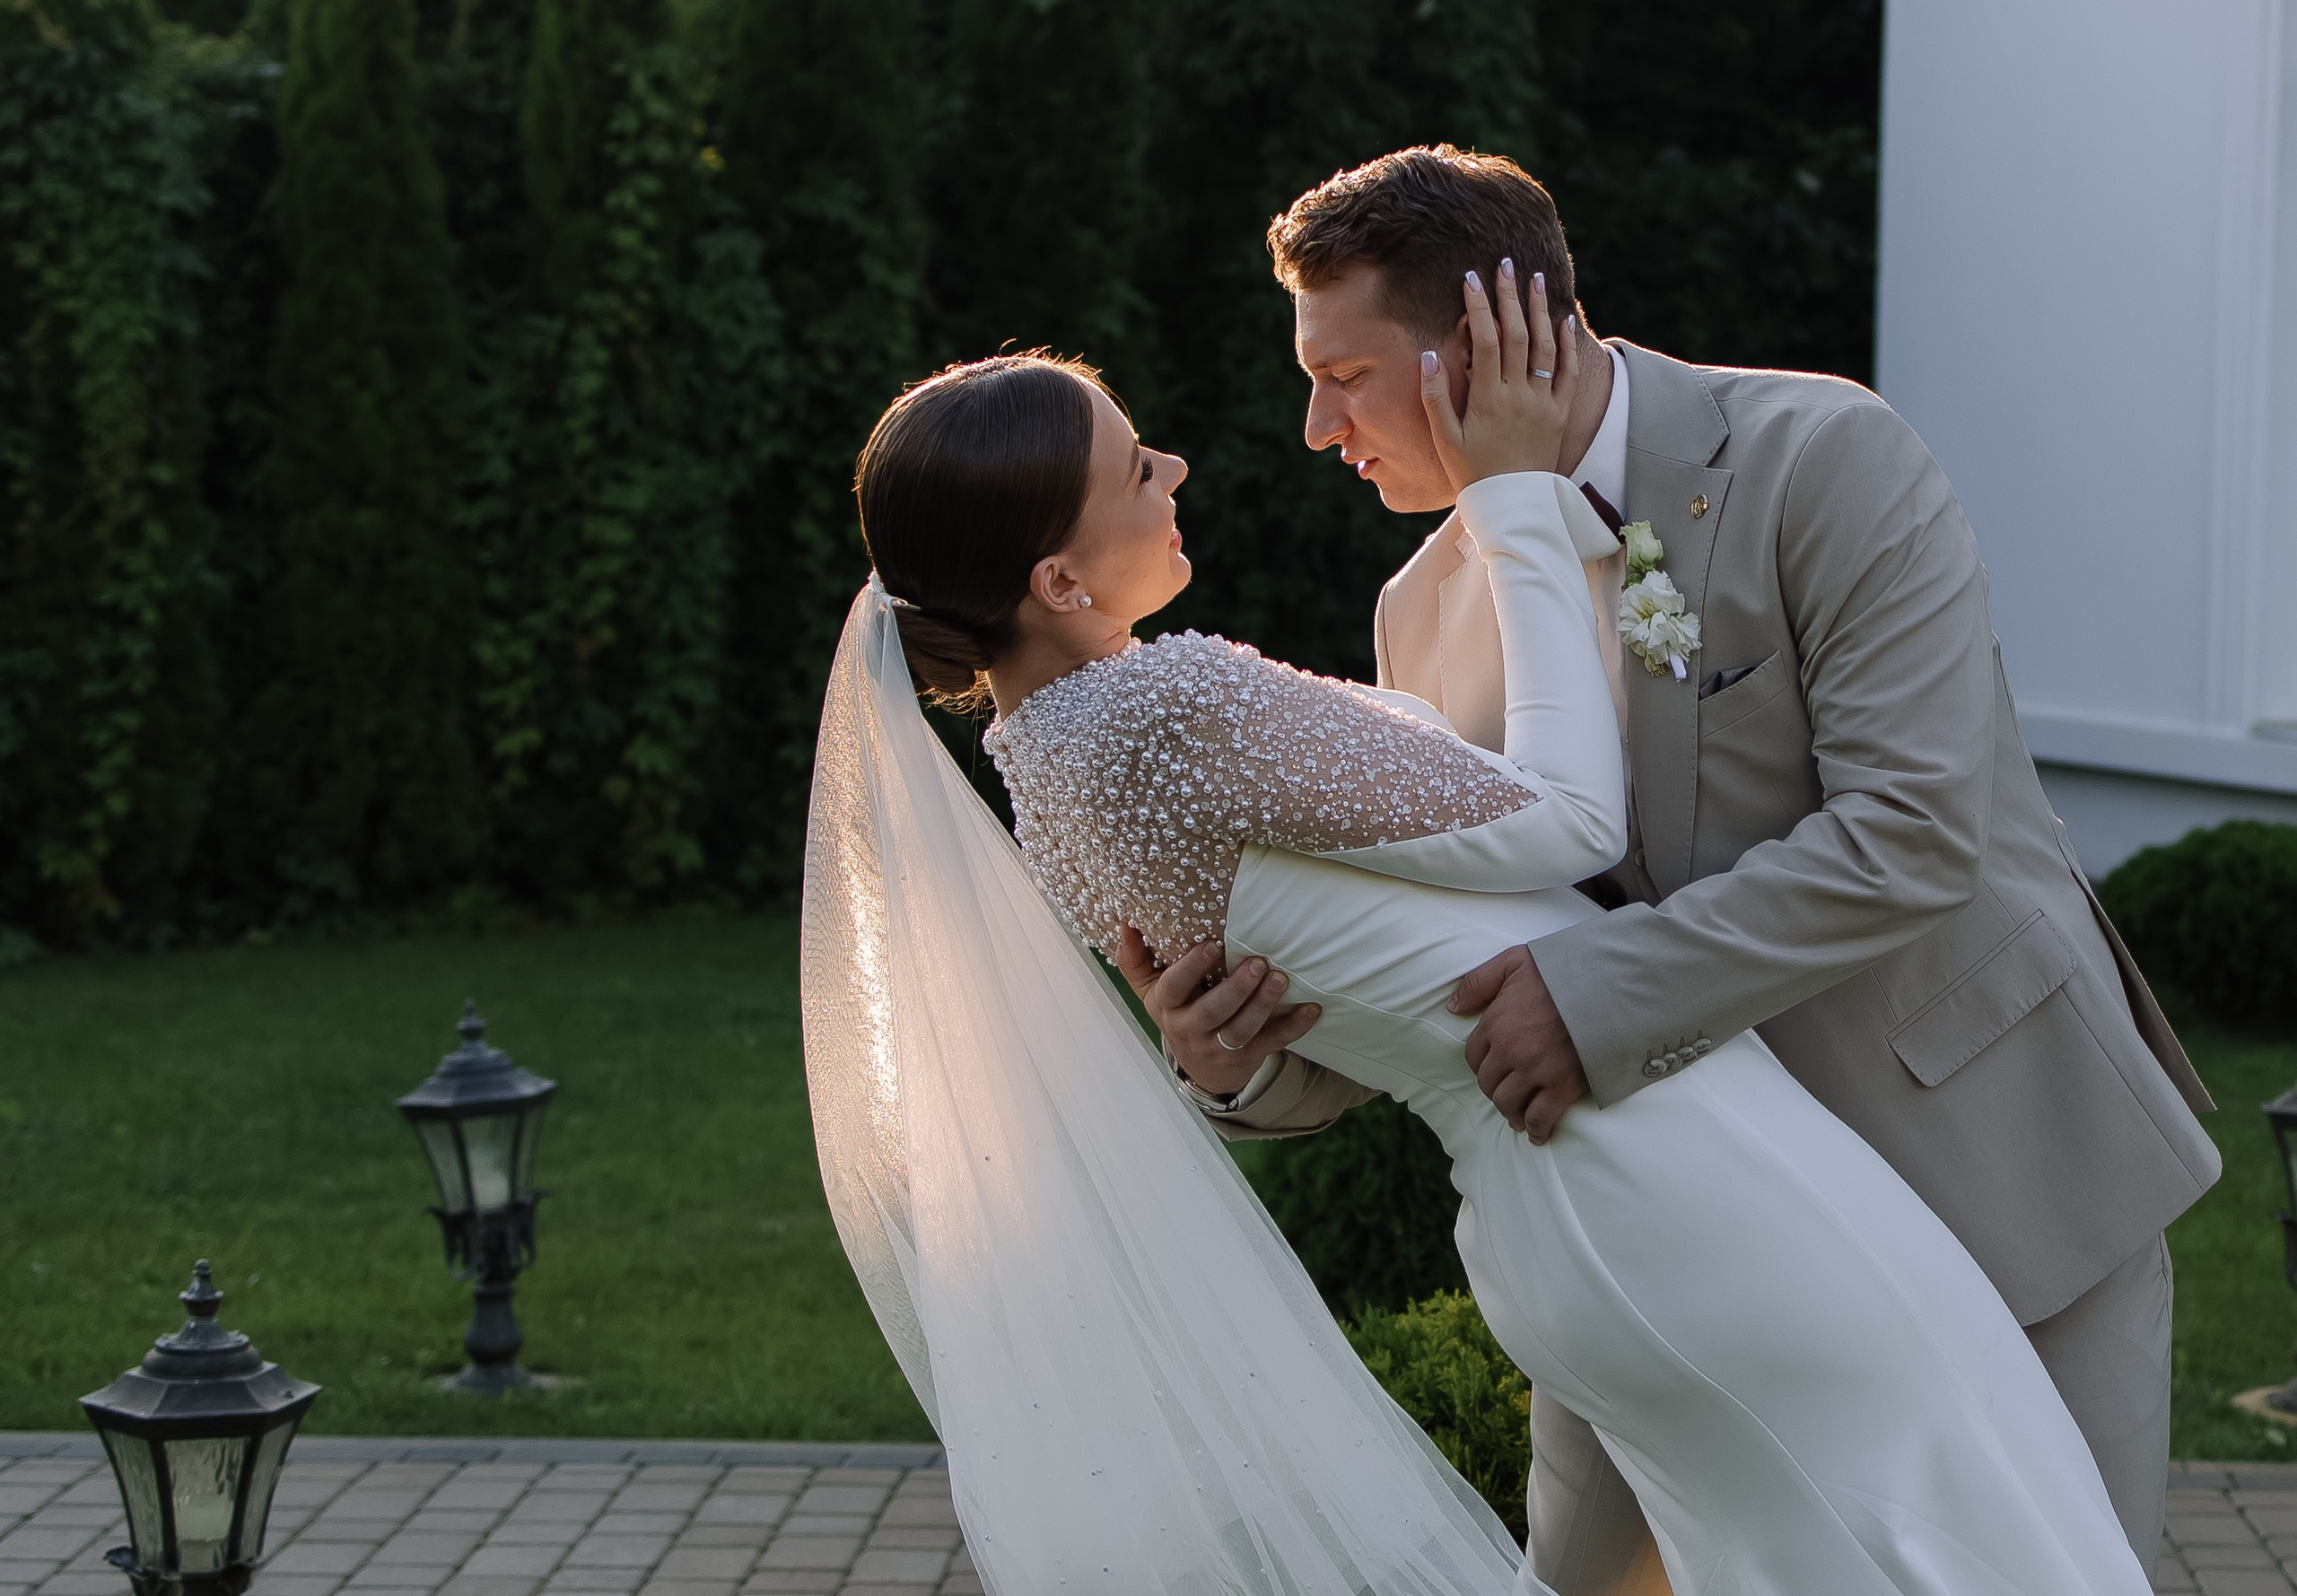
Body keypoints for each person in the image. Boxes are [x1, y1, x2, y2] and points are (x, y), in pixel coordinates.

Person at [804, 313, 2156, 1596]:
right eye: (1136, 465)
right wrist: (1514, 506)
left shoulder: (1048, 771)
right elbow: (1562, 827)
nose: (1216, 453)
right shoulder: (1187, 696)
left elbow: (1373, 958)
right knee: (1975, 1532)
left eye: (1343, 370)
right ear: (1056, 581)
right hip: (1671, 1178)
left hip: (1623, 1203)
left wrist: (1220, 1056)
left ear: (1476, 346)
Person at [1128, 144, 2219, 1592]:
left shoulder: (1821, 457)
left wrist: (1599, 996)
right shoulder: (1424, 610)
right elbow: (1459, 976)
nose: (1318, 427)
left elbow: (1915, 830)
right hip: (1671, 1237)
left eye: (1346, 377)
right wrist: (1242, 1061)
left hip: (1991, 1172)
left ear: (1497, 341)